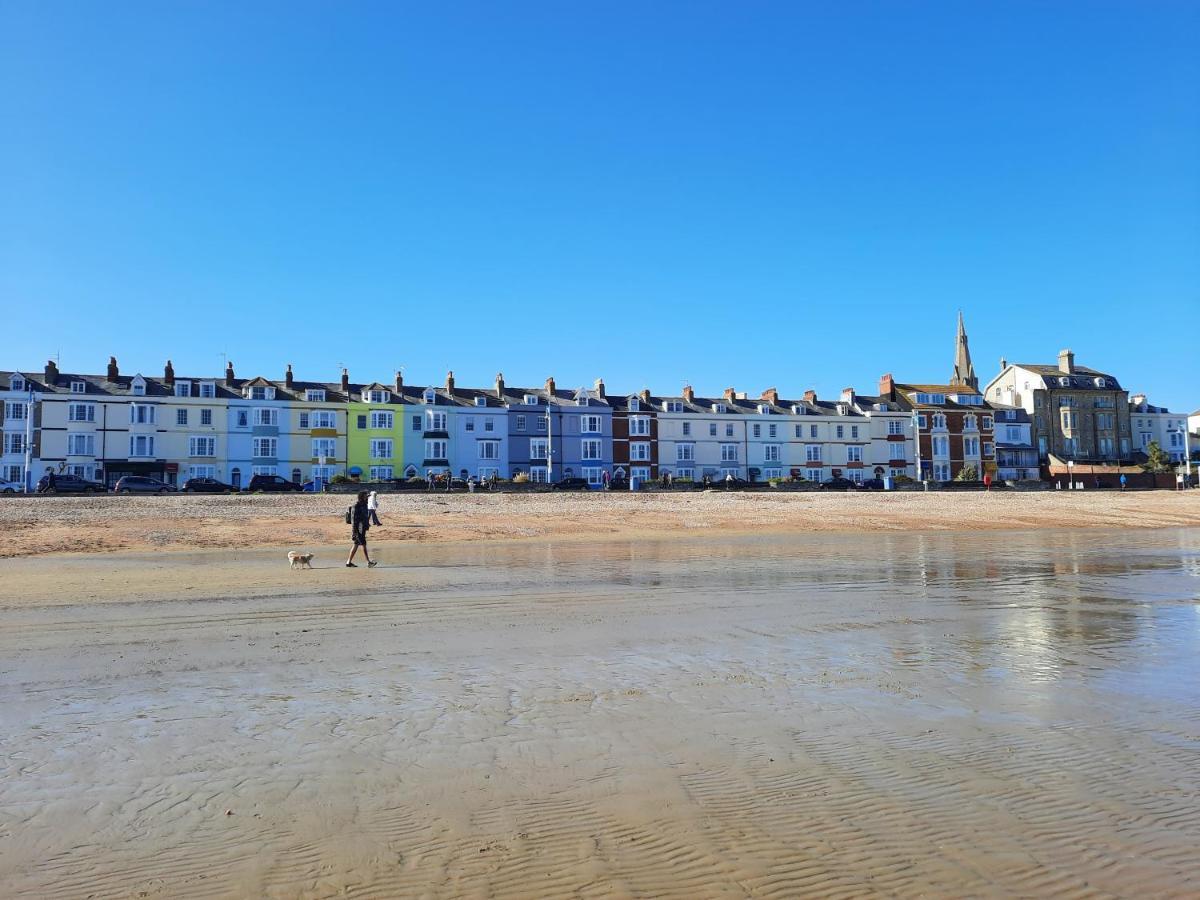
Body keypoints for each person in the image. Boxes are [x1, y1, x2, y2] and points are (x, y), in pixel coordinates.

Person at [346, 490, 376, 568]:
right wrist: (355, 531)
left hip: (362, 528)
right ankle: (368, 562)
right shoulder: (356, 506)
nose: (367, 498)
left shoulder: (364, 505)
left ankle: (348, 562)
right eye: (366, 496)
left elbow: (365, 517)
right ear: (362, 497)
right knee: (363, 544)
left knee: (356, 544)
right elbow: (353, 520)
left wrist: (367, 524)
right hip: (358, 529)